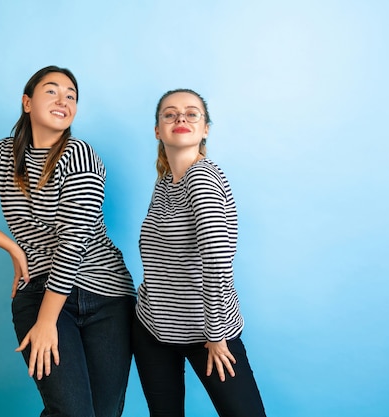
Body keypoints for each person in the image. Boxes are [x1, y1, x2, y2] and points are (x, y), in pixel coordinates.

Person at [0, 65, 137, 417]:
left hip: (106, 299)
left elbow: (72, 242)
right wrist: (14, 248)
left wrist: (47, 323)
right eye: (52, 90)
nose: (63, 99)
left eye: (71, 95)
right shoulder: (5, 155)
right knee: (72, 412)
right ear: (27, 102)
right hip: (40, 291)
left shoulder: (79, 155)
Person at [132, 89, 266, 417]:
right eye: (170, 114)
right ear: (157, 130)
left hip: (207, 331)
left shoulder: (202, 178)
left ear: (205, 128)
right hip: (153, 327)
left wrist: (217, 335)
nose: (181, 118)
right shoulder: (165, 182)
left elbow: (217, 261)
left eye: (192, 113)